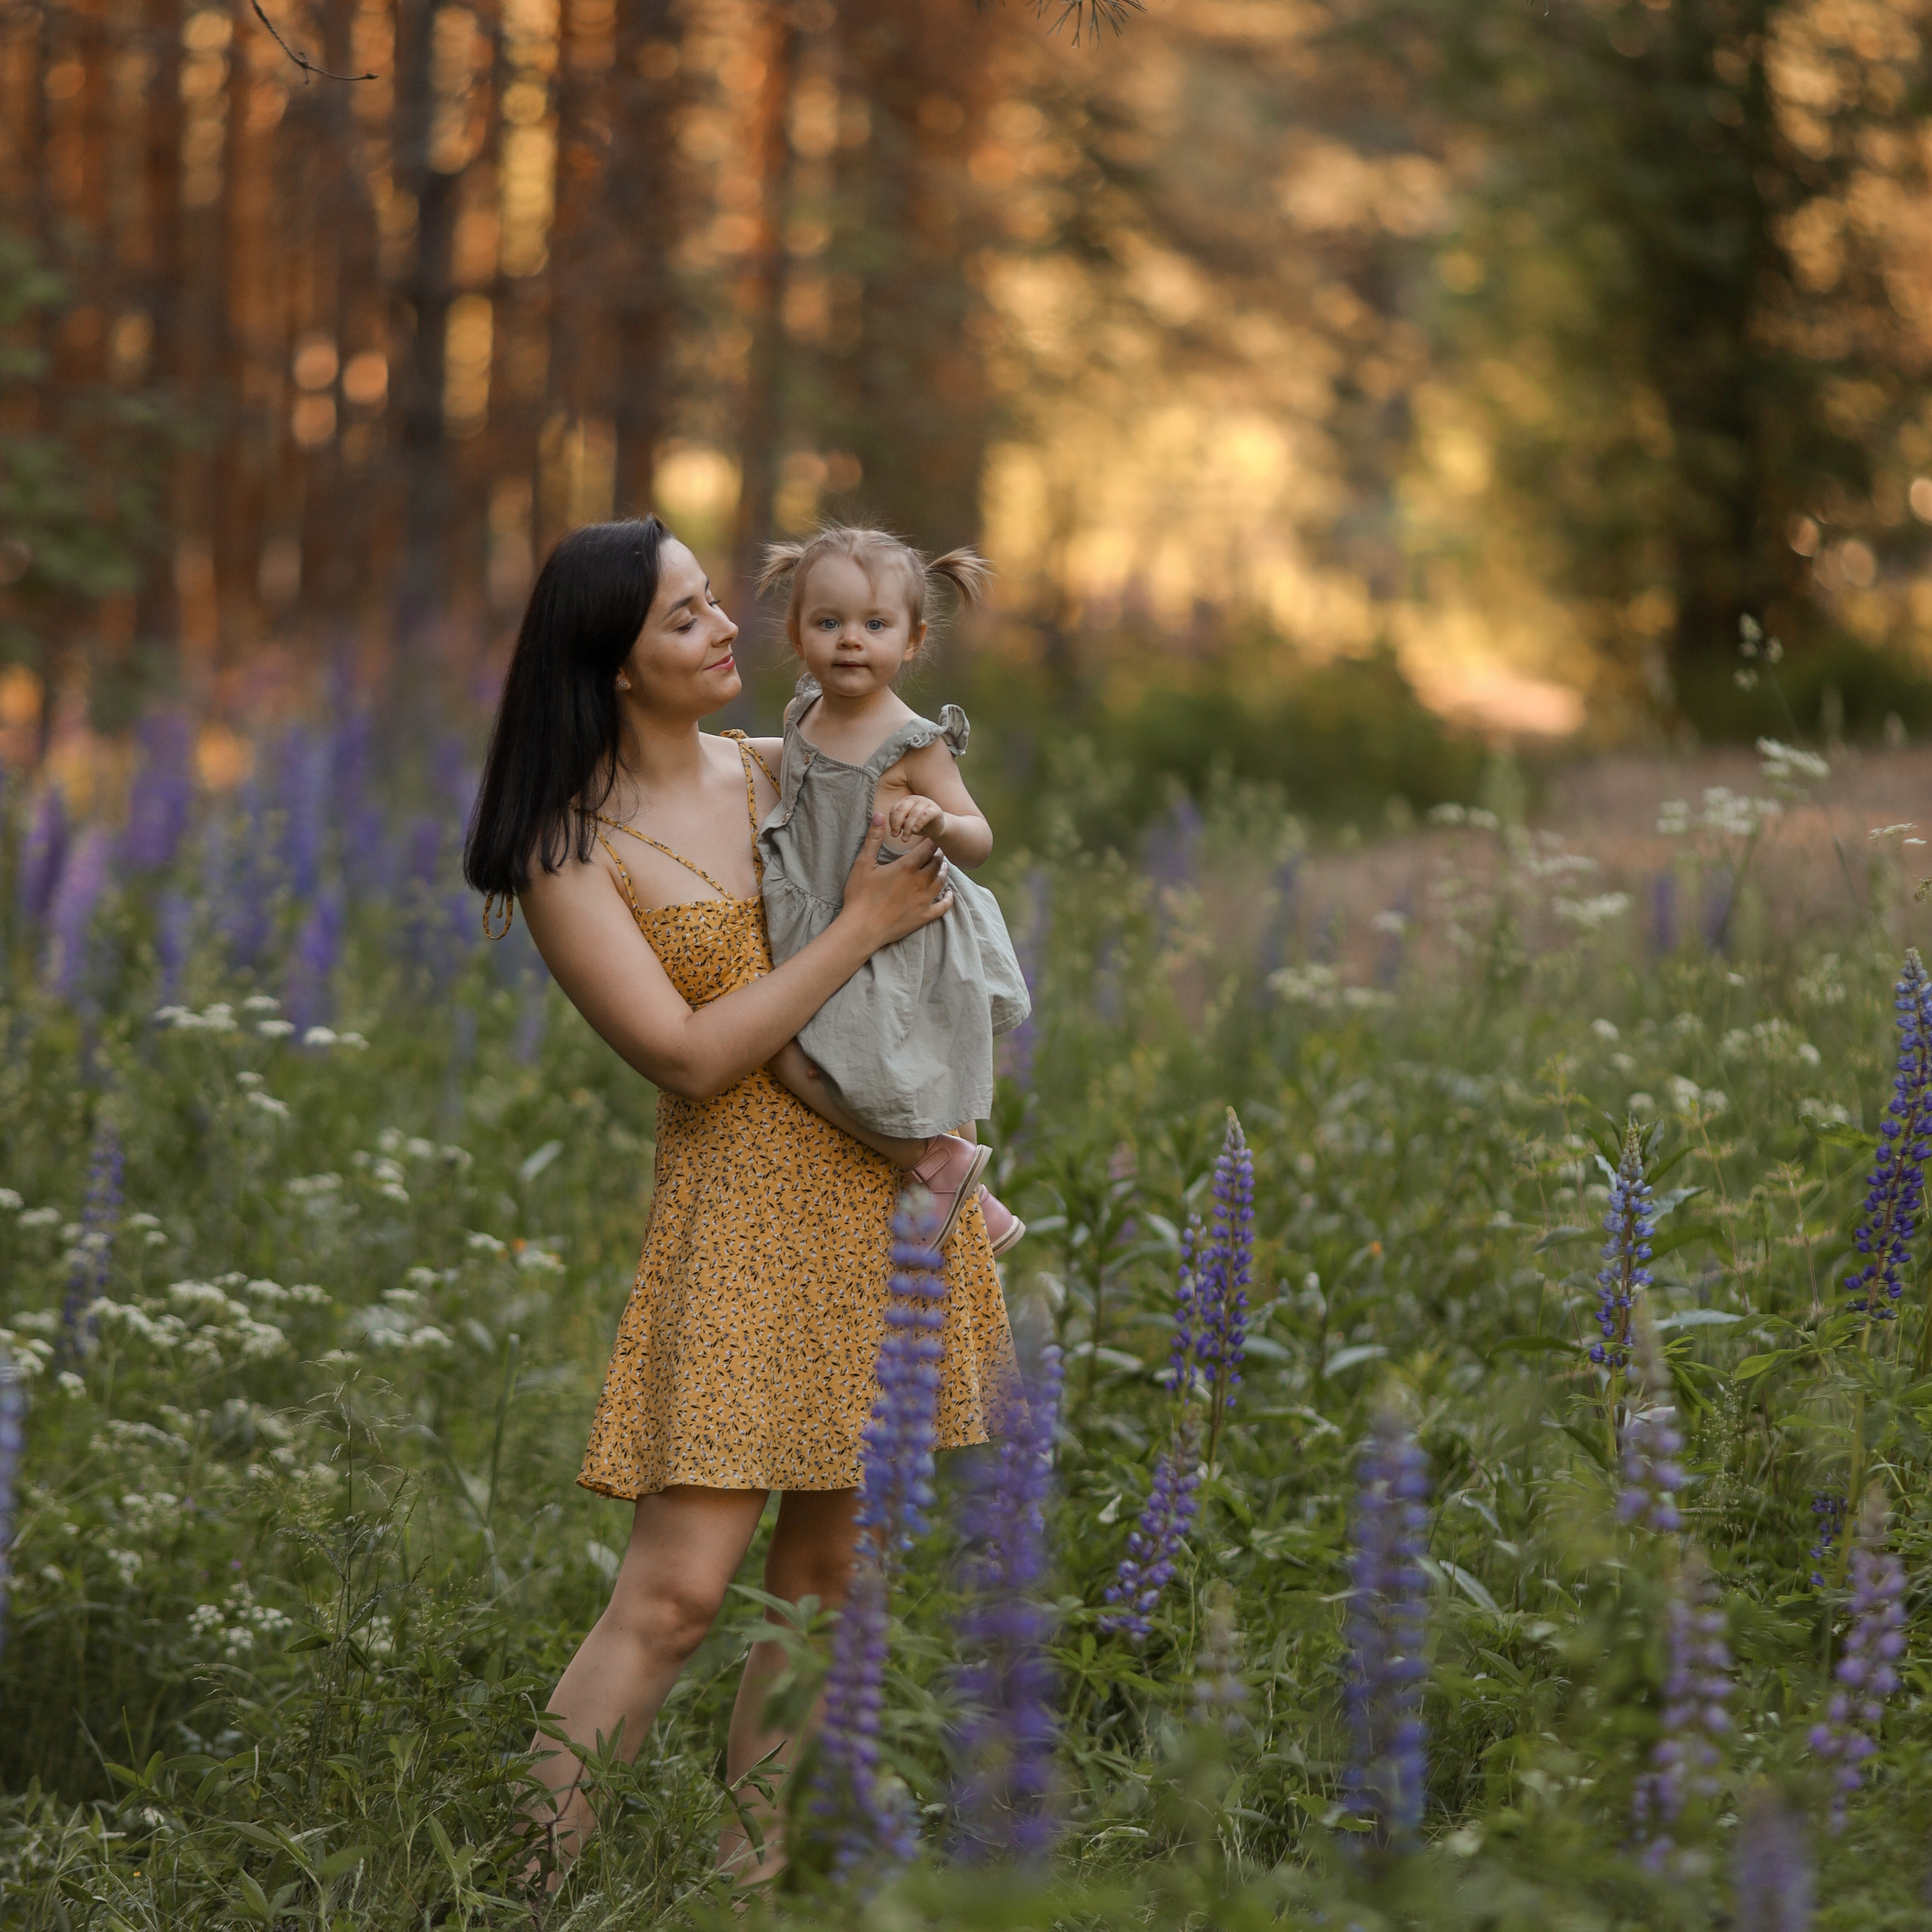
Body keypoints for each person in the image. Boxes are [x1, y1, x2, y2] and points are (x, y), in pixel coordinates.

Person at [462, 515, 1020, 1890]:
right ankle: (530, 1892)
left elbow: (925, 793)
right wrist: (861, 925)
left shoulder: (779, 764)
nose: (725, 629)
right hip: (741, 1216)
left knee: (829, 1589)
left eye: (715, 602)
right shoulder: (565, 846)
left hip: (886, 1201)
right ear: (611, 664)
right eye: (684, 618)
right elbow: (690, 1055)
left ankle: (744, 1882)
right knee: (675, 1593)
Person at [754, 525, 1031, 1255]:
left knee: (910, 1061)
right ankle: (963, 1190)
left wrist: (938, 818)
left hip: (902, 930)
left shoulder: (913, 740)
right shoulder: (802, 712)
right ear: (797, 632)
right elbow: (798, 770)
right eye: (829, 622)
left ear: (910, 641)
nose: (851, 640)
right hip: (824, 913)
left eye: (874, 625)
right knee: (809, 1057)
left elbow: (981, 835)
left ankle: (948, 1180)